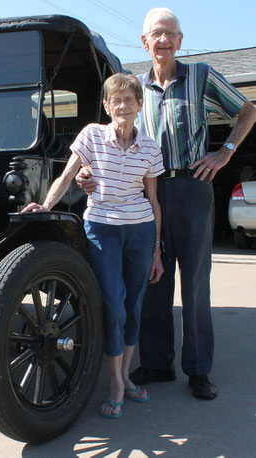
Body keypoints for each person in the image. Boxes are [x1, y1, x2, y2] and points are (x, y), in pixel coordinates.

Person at [77, 8, 256, 400]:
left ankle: (198, 370)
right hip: (148, 193)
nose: (163, 41)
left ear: (179, 40)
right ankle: (156, 363)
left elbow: (248, 109)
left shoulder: (201, 77)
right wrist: (88, 174)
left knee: (194, 283)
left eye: (170, 34)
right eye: (156, 34)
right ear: (145, 42)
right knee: (151, 278)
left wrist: (225, 151)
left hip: (192, 189)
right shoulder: (134, 89)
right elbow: (111, 139)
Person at [23, 73, 165, 419]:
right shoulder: (92, 135)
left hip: (141, 230)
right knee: (113, 305)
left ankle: (125, 377)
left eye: (129, 100)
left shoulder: (149, 147)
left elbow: (154, 200)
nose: (122, 105)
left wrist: (157, 250)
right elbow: (68, 175)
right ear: (106, 105)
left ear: (139, 106)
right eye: (116, 100)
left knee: (134, 307)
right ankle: (115, 383)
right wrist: (46, 205)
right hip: (102, 227)